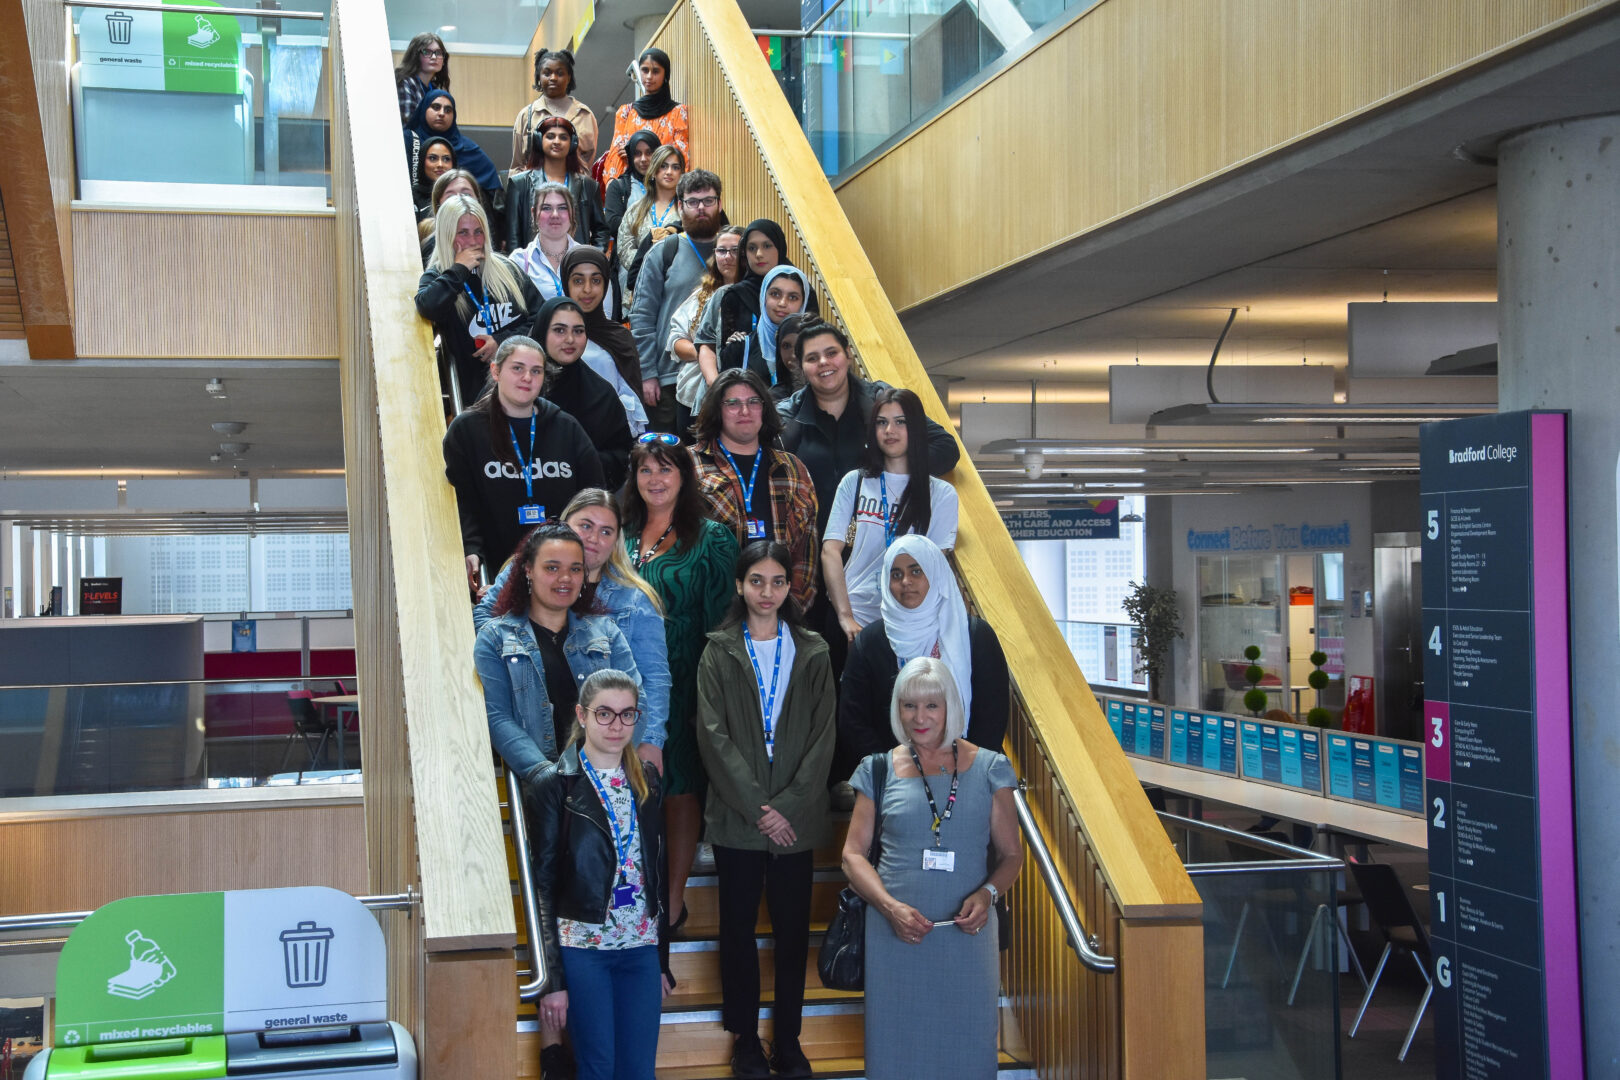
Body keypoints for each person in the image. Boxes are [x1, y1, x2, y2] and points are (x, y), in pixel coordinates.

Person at [842, 657, 1023, 1080]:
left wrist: (988, 894)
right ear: (897, 710)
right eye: (909, 706)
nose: (920, 718)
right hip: (894, 936)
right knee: (895, 1052)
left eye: (931, 706)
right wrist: (889, 908)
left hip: (968, 939)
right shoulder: (878, 769)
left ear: (950, 708)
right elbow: (852, 855)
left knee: (969, 1049)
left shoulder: (991, 768)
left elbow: (1011, 855)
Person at [694, 541, 835, 1080]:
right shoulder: (719, 650)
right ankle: (746, 1040)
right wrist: (759, 807)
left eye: (778, 581)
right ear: (739, 586)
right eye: (757, 581)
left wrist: (789, 806)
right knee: (737, 932)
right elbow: (712, 736)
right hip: (739, 820)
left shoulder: (815, 651)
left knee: (793, 933)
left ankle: (790, 1040)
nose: (767, 592)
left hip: (796, 823)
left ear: (789, 588)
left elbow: (825, 738)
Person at [529, 669, 674, 1080]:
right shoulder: (554, 786)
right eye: (605, 714)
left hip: (641, 947)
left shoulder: (646, 780)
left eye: (627, 715)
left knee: (639, 1070)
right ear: (582, 715)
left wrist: (661, 959)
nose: (616, 725)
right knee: (598, 1067)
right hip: (584, 949)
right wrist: (551, 980)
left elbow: (656, 871)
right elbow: (542, 887)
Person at [620, 435, 739, 927]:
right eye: (646, 470)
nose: (656, 479)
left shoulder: (711, 537)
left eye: (666, 470)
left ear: (685, 477)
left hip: (687, 675)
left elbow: (723, 622)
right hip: (622, 679)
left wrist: (712, 696)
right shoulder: (619, 533)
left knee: (679, 785)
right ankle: (630, 896)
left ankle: (670, 903)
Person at [477, 489, 672, 775]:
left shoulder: (630, 603)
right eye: (585, 526)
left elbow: (651, 680)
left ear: (616, 541)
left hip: (609, 754)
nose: (593, 538)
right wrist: (506, 644)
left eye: (606, 531)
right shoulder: (520, 573)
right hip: (540, 755)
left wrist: (649, 740)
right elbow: (485, 618)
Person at [442, 337, 605, 587]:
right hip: (496, 572)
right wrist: (471, 548)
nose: (527, 377)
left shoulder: (567, 428)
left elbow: (593, 497)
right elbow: (460, 500)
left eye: (536, 371)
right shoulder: (466, 430)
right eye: (517, 368)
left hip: (560, 571)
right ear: (496, 371)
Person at [838, 536, 1009, 774]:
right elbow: (853, 721)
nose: (906, 581)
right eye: (896, 574)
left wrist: (965, 770)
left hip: (969, 774)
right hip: (894, 780)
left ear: (935, 574)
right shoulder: (869, 642)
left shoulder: (975, 637)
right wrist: (894, 770)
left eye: (916, 571)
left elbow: (992, 715)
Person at [782, 322, 960, 536]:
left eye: (832, 353)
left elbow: (946, 447)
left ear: (848, 354)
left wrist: (893, 465)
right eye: (812, 358)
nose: (823, 362)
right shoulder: (789, 415)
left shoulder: (880, 401)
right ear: (801, 366)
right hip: (811, 548)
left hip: (879, 545)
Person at [821, 387, 960, 641]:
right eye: (881, 422)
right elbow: (830, 551)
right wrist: (845, 616)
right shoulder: (855, 482)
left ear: (917, 429)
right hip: (853, 619)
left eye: (900, 422)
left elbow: (934, 566)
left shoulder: (941, 494)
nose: (889, 431)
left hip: (911, 624)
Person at [689, 369, 819, 613]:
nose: (745, 411)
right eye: (733, 403)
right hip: (710, 615)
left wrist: (789, 611)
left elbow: (806, 551)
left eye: (753, 402)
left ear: (765, 409)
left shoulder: (792, 468)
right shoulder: (689, 465)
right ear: (717, 409)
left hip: (782, 614)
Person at [417, 196, 542, 403]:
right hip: (477, 400)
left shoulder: (508, 270)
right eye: (463, 233)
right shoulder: (438, 277)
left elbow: (542, 318)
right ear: (447, 236)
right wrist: (458, 270)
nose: (473, 241)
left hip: (526, 390)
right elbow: (428, 307)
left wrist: (503, 342)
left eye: (478, 232)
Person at [631, 170, 724, 434]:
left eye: (708, 200)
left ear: (720, 203)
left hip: (721, 375)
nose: (701, 208)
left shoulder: (732, 251)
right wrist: (647, 373)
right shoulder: (664, 251)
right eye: (693, 202)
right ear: (680, 206)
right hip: (668, 378)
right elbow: (642, 318)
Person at [696, 220, 817, 381]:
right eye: (752, 248)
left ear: (779, 247)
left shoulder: (801, 289)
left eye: (767, 246)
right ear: (745, 253)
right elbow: (724, 355)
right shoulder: (734, 294)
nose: (759, 254)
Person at [535, 296, 633, 490]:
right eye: (559, 330)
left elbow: (621, 456)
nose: (570, 339)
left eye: (578, 331)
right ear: (541, 331)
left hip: (584, 501)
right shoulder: (519, 383)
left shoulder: (601, 394)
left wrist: (579, 461)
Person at [561, 247, 646, 433]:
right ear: (566, 283)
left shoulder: (620, 338)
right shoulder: (551, 335)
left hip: (609, 440)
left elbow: (633, 402)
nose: (587, 289)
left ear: (606, 284)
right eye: (578, 281)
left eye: (596, 280)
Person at [669, 225, 744, 420]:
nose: (727, 257)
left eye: (735, 250)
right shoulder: (703, 294)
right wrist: (706, 352)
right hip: (693, 397)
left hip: (740, 399)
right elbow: (675, 340)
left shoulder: (757, 296)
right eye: (721, 250)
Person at [506, 118, 607, 252]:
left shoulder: (588, 185)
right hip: (532, 268)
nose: (557, 141)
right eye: (550, 136)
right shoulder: (519, 184)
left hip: (575, 266)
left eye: (563, 137)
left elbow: (601, 231)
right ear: (539, 140)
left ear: (572, 143)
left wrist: (590, 259)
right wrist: (519, 268)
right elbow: (513, 238)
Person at [713, 266, 811, 399]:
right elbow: (725, 402)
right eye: (775, 294)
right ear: (763, 296)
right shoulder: (739, 347)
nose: (782, 303)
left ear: (803, 303)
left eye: (793, 297)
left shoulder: (813, 350)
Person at [600, 48, 691, 188]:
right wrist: (615, 191)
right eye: (645, 70)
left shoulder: (678, 112)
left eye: (655, 71)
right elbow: (615, 158)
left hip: (665, 191)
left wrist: (634, 153)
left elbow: (681, 159)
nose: (649, 77)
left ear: (665, 75)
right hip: (631, 191)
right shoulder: (625, 112)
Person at [403, 90, 500, 210]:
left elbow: (492, 190)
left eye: (448, 110)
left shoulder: (467, 148)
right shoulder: (410, 141)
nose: (442, 113)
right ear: (424, 110)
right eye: (436, 107)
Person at [510, 48, 597, 172]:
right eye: (547, 73)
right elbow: (517, 165)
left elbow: (587, 162)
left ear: (569, 77)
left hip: (573, 188)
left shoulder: (584, 115)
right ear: (538, 77)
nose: (553, 78)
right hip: (534, 188)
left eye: (560, 73)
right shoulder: (526, 115)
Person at [616, 144, 685, 298]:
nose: (669, 172)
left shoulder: (687, 209)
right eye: (663, 166)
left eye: (675, 167)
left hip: (677, 287)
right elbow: (624, 247)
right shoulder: (636, 209)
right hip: (639, 288)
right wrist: (650, 264)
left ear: (681, 174)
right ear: (653, 171)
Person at [511, 182, 593, 302]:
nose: (555, 215)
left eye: (562, 208)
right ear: (534, 214)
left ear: (572, 213)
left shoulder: (589, 258)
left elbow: (603, 315)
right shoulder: (518, 262)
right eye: (546, 208)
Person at [603, 131, 660, 259]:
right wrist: (654, 231)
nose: (643, 159)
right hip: (629, 261)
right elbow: (612, 223)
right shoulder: (618, 187)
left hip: (666, 257)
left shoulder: (668, 186)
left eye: (649, 153)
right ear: (630, 156)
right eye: (637, 154)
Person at [419, 169, 482, 265]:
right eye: (450, 197)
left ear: (478, 200)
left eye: (466, 194)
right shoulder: (430, 247)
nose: (460, 200)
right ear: (439, 206)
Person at [395, 32, 449, 124]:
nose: (434, 57)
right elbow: (408, 124)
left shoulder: (436, 89)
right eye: (427, 52)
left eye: (438, 53)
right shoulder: (404, 82)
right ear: (415, 56)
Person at [411, 136, 454, 223]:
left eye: (446, 159)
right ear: (422, 161)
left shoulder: (460, 195)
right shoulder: (410, 197)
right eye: (433, 158)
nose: (440, 164)